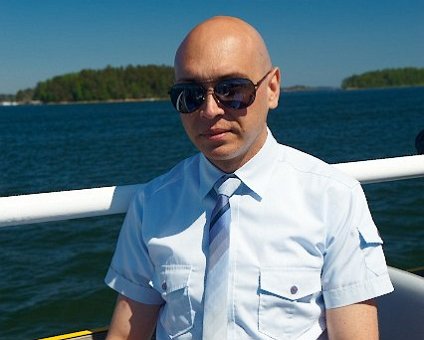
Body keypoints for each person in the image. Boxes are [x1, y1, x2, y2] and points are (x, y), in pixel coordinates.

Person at [105, 16, 393, 340]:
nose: (210, 110)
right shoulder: (152, 205)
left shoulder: (334, 199)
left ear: (271, 89)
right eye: (191, 94)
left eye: (232, 90)